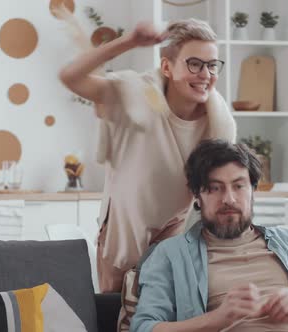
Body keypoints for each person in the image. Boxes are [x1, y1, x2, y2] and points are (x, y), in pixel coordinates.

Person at [59, 19, 236, 292]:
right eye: (194, 64)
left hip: (175, 228)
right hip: (122, 233)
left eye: (212, 65)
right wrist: (128, 41)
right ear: (166, 67)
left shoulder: (218, 122)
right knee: (115, 317)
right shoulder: (133, 95)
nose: (205, 74)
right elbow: (71, 76)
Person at [131, 139, 288, 332]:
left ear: (253, 191)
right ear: (197, 195)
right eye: (215, 188)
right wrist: (217, 319)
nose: (228, 199)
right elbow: (143, 327)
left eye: (239, 186)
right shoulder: (170, 254)